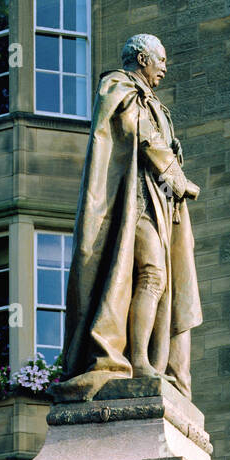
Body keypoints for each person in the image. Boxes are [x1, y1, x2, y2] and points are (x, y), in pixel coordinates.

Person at [57, 33, 202, 400]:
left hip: (156, 204)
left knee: (160, 279)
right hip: (131, 204)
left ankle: (146, 358)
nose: (165, 69)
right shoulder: (119, 86)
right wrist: (177, 177)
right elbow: (142, 136)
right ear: (141, 58)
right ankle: (138, 359)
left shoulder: (151, 100)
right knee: (152, 273)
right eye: (161, 61)